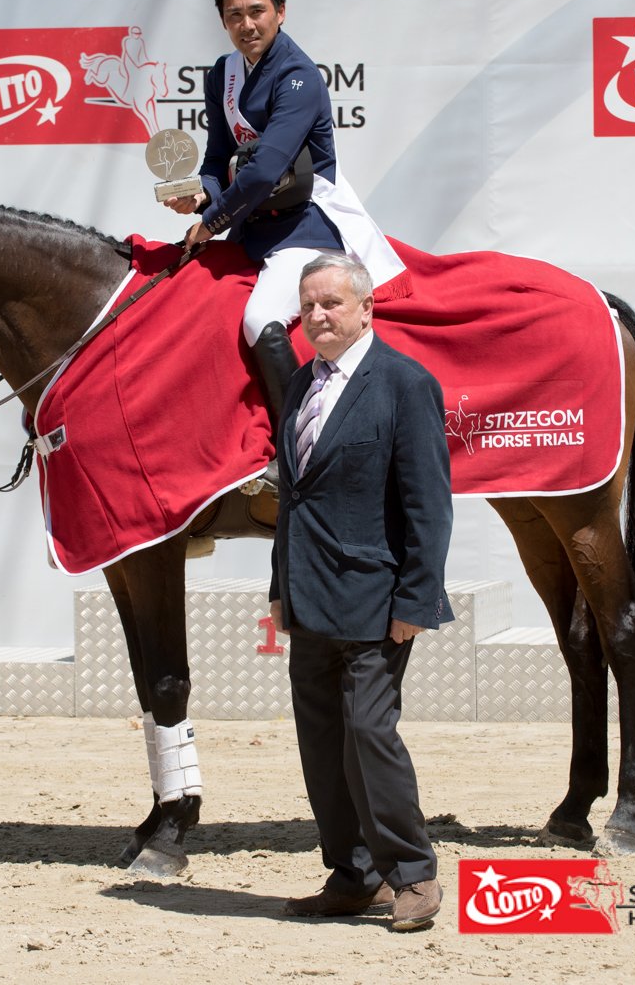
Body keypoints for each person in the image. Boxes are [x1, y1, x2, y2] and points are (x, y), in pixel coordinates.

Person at [269, 253, 453, 932]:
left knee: (369, 735)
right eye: (308, 304)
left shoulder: (405, 383)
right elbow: (292, 499)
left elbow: (429, 503)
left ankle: (413, 876)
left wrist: (416, 600)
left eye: (331, 304)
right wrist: (279, 587)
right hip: (310, 598)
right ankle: (353, 875)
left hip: (377, 602)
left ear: (365, 307)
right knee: (320, 742)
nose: (317, 315)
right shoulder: (299, 386)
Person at [163, 0, 405, 425]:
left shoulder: (299, 76)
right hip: (252, 228)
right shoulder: (223, 74)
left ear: (281, 12)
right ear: (223, 22)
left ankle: (296, 439)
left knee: (258, 321)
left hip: (303, 229)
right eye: (235, 15)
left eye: (257, 11)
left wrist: (211, 221)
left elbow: (263, 172)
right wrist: (200, 196)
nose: (247, 25)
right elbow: (219, 160)